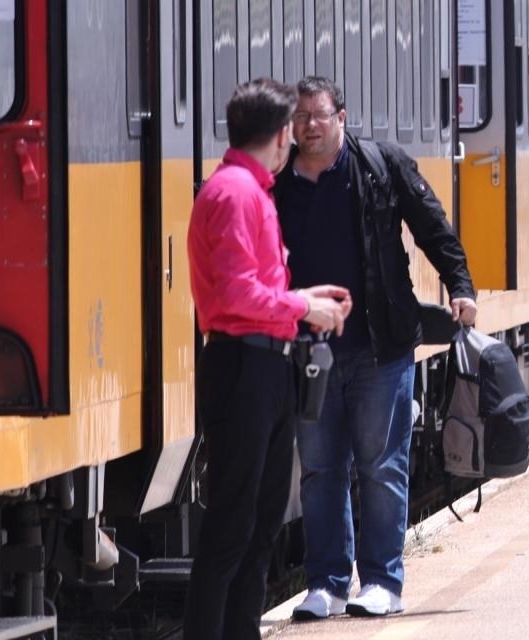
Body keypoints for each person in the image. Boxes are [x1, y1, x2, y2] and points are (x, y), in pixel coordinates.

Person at [279, 77, 476, 621]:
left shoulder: (378, 165)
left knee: (379, 466)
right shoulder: (279, 182)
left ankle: (384, 582)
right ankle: (327, 584)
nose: (309, 126)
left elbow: (433, 226)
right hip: (309, 348)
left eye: (319, 115)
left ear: (342, 116)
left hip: (378, 345)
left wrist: (460, 286)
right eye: (300, 118)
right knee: (318, 470)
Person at [184, 79, 351, 639]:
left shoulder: (250, 190)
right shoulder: (235, 193)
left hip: (266, 364)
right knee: (233, 526)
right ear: (281, 136)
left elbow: (255, 289)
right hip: (243, 366)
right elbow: (235, 294)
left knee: (260, 527)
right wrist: (302, 304)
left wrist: (307, 303)